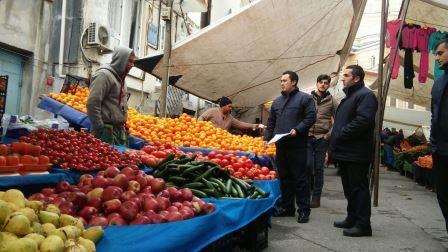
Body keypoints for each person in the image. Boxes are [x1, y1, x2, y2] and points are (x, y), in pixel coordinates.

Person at [329, 65, 378, 237]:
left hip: (356, 152)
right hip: (345, 151)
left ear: (356, 78)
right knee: (349, 189)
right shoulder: (349, 96)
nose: (343, 78)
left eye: (346, 75)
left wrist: (341, 134)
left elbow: (363, 121)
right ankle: (352, 218)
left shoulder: (365, 95)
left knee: (358, 189)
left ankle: (363, 225)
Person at [264, 70, 316, 223]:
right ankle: (287, 208)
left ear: (293, 82)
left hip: (298, 145)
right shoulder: (277, 102)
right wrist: (267, 138)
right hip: (281, 145)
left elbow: (311, 117)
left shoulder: (305, 99)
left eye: (285, 80)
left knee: (300, 179)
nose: (282, 83)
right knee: (285, 178)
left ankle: (303, 211)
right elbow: (271, 122)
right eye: (280, 81)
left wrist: (298, 129)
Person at [86, 46, 136, 146]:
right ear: (120, 60)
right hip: (105, 131)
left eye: (133, 62)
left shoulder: (121, 78)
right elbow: (92, 103)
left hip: (117, 131)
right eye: (129, 61)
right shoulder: (104, 75)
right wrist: (99, 127)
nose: (132, 65)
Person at [308, 74, 338, 208]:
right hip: (307, 137)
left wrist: (329, 135)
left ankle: (316, 197)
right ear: (317, 83)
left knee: (318, 168)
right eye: (320, 82)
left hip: (322, 138)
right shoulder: (307, 99)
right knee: (308, 166)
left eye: (326, 83)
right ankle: (306, 192)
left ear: (328, 85)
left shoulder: (332, 101)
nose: (323, 85)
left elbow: (339, 120)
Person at [431, 38, 448, 233]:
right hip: (440, 150)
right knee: (443, 195)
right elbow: (434, 114)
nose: (437, 58)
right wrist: (433, 143)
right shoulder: (438, 83)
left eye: (440, 53)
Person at [198, 96, 264, 132]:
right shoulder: (213, 111)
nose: (231, 108)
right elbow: (201, 117)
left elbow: (240, 124)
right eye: (229, 106)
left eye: (231, 107)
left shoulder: (230, 118)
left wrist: (255, 125)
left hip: (223, 141)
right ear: (223, 106)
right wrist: (201, 128)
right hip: (209, 139)